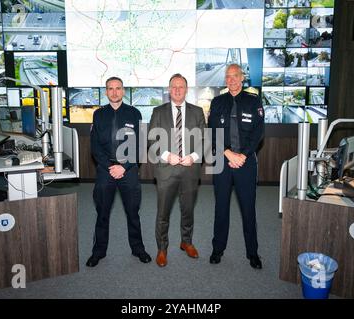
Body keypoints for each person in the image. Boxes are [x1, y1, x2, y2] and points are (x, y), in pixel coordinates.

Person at [86, 76, 151, 267]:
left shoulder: (134, 113)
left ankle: (138, 249)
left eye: (118, 88)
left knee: (133, 213)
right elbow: (95, 147)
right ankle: (98, 252)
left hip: (128, 170)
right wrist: (110, 167)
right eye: (110, 89)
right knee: (102, 213)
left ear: (123, 91)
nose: (114, 92)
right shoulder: (98, 114)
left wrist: (123, 166)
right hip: (106, 171)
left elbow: (140, 145)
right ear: (106, 92)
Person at [207, 64, 264, 269]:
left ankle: (253, 253)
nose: (231, 80)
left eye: (235, 76)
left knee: (248, 209)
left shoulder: (253, 101)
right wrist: (228, 153)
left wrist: (243, 155)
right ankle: (217, 249)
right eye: (228, 76)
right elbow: (212, 132)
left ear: (242, 78)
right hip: (222, 161)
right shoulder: (217, 102)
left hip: (245, 162)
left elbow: (258, 133)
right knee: (221, 207)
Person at [148, 73, 206, 267]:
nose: (178, 90)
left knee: (188, 210)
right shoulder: (158, 112)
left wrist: (194, 157)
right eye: (174, 86)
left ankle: (186, 242)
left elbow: (204, 140)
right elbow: (151, 141)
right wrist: (166, 155)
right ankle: (162, 248)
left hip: (190, 171)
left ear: (186, 89)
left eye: (181, 86)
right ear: (169, 89)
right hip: (166, 170)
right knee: (163, 213)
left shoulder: (198, 112)